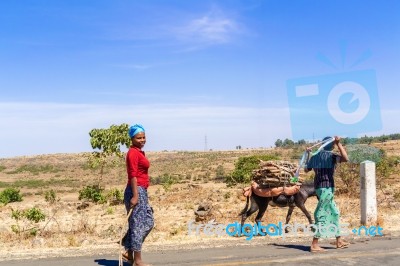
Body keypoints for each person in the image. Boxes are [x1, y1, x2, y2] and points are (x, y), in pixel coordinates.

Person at [304, 136, 350, 253]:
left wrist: (309, 154)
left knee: (334, 212)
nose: (335, 146)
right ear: (332, 145)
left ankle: (339, 240)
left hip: (320, 187)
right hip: (326, 188)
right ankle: (314, 244)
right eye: (334, 144)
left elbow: (306, 169)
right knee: (322, 213)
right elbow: (346, 158)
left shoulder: (315, 156)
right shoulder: (331, 156)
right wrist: (339, 144)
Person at [122, 124, 154, 266]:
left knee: (148, 221)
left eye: (143, 137)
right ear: (132, 138)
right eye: (138, 138)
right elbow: (133, 175)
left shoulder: (140, 152)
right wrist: (135, 196)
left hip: (141, 190)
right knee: (138, 225)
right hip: (136, 190)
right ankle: (137, 260)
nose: (142, 140)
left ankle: (128, 248)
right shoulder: (133, 153)